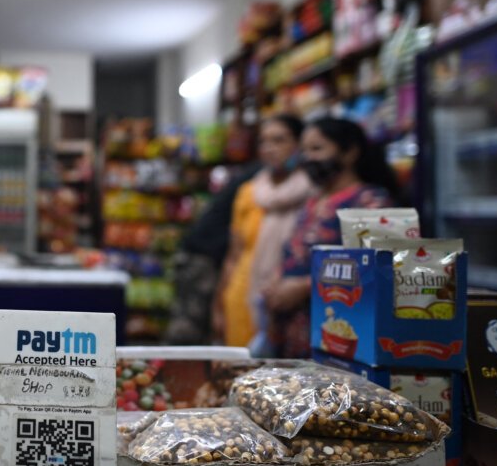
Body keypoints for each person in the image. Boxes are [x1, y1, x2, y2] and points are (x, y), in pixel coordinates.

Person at [263, 117, 398, 357]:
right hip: (293, 335)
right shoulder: (313, 201)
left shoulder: (370, 203)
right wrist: (276, 280)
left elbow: (378, 270)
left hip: (337, 337)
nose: (307, 158)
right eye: (304, 150)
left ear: (350, 152)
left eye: (317, 149)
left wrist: (303, 287)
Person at [213, 115, 311, 350]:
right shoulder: (249, 192)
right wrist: (219, 304)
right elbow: (234, 254)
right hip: (244, 295)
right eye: (263, 142)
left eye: (279, 140)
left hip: (293, 298)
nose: (269, 148)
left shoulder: (314, 191)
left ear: (300, 144)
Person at [164, 161, 260, 345]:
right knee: (188, 329)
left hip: (201, 255)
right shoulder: (257, 180)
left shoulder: (252, 178)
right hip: (201, 257)